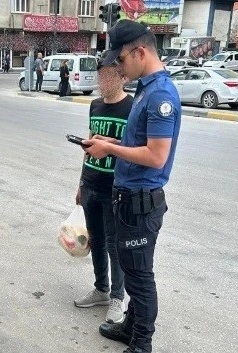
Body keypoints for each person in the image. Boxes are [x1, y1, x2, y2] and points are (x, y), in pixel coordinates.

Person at [82, 20, 181, 353]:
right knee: (129, 266)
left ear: (139, 52)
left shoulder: (161, 94)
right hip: (127, 198)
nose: (119, 68)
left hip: (141, 201)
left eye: (121, 60)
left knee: (139, 278)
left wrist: (110, 149)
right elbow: (137, 140)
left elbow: (155, 155)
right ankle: (129, 327)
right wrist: (111, 140)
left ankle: (142, 343)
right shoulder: (146, 89)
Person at [74, 50, 132, 324]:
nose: (102, 81)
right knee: (96, 240)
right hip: (91, 183)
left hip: (115, 187)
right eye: (100, 75)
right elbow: (88, 145)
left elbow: (137, 149)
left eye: (108, 75)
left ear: (122, 77)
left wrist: (107, 143)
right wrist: (80, 183)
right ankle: (101, 289)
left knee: (113, 244)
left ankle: (118, 298)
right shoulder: (95, 105)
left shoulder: (132, 107)